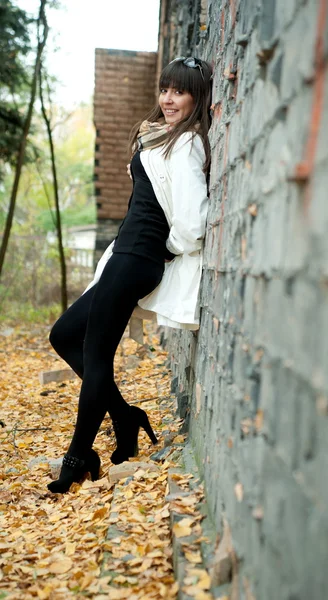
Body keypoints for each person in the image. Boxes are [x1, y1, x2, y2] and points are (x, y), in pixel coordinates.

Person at [47, 56, 212, 493]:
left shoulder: (187, 143)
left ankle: (79, 457)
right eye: (165, 89)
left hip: (137, 260)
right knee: (64, 335)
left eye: (179, 91)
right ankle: (125, 416)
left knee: (97, 353)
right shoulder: (160, 138)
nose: (168, 98)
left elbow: (194, 222)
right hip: (124, 257)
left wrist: (165, 251)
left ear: (197, 97)